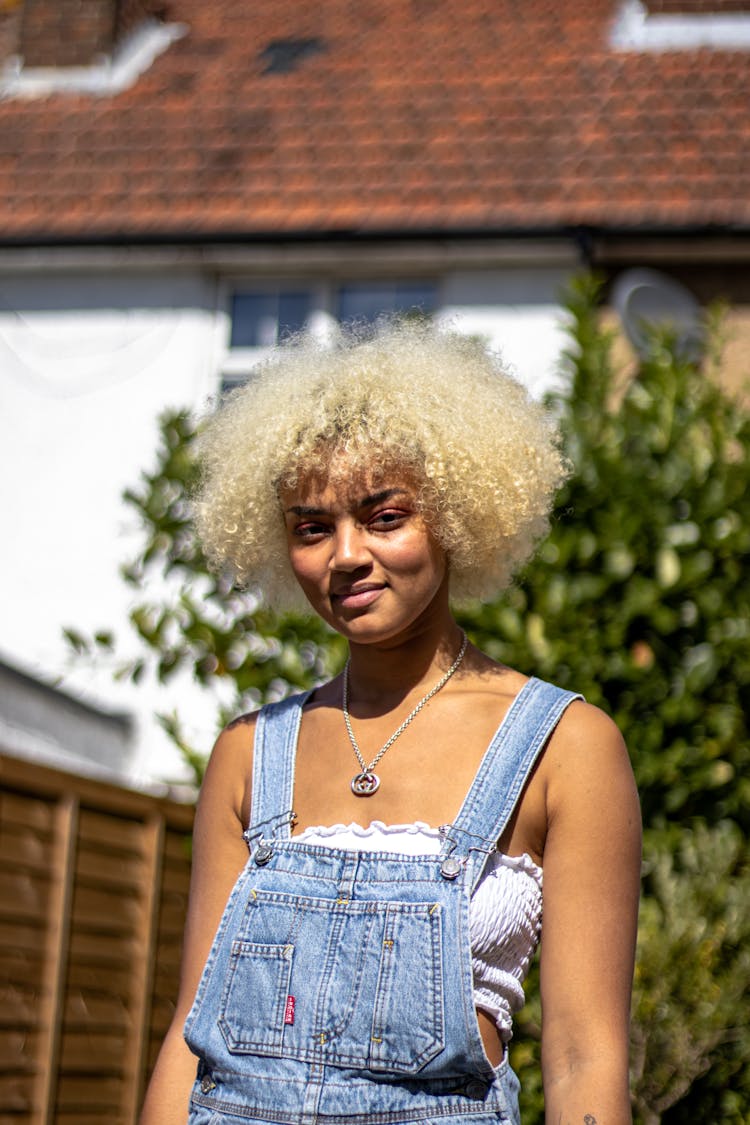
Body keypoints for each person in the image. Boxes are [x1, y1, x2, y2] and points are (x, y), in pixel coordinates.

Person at [139, 320, 641, 1125]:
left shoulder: (565, 747)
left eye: (383, 516)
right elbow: (189, 1039)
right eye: (312, 525)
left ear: (454, 511)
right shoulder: (248, 753)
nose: (345, 554)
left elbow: (585, 1056)